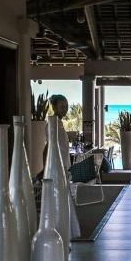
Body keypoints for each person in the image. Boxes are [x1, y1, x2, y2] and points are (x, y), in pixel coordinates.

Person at [48, 93, 80, 241]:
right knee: (61, 202)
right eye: (62, 106)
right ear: (54, 107)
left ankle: (67, 234)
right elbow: (49, 148)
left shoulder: (59, 124)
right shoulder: (52, 125)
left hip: (63, 168)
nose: (65, 109)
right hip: (56, 168)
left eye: (66, 106)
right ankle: (63, 234)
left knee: (65, 202)